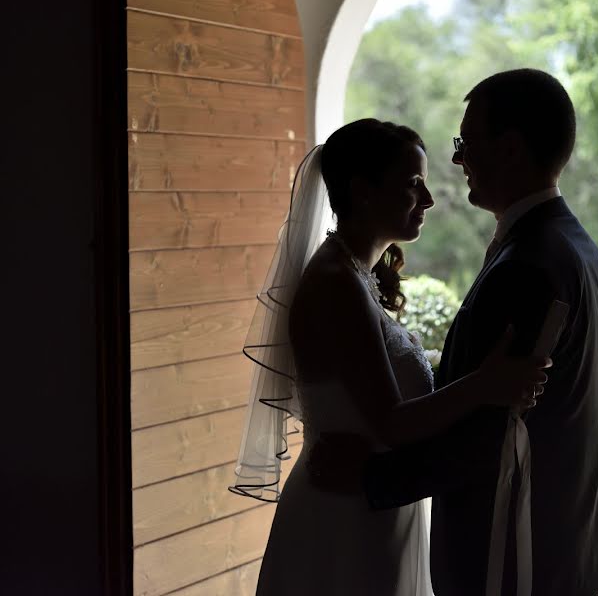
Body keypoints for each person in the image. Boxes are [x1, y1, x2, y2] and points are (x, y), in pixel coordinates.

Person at [314, 69, 598, 596]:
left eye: (466, 142)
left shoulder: (531, 262)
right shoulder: (574, 245)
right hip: (558, 539)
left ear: (511, 148)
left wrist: (372, 481)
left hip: (513, 551)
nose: (456, 160)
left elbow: (490, 432)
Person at [229, 119, 551, 596]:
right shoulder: (335, 282)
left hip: (372, 498)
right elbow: (391, 424)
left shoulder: (356, 274)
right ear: (362, 191)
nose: (428, 199)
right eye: (412, 184)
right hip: (346, 513)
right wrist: (486, 384)